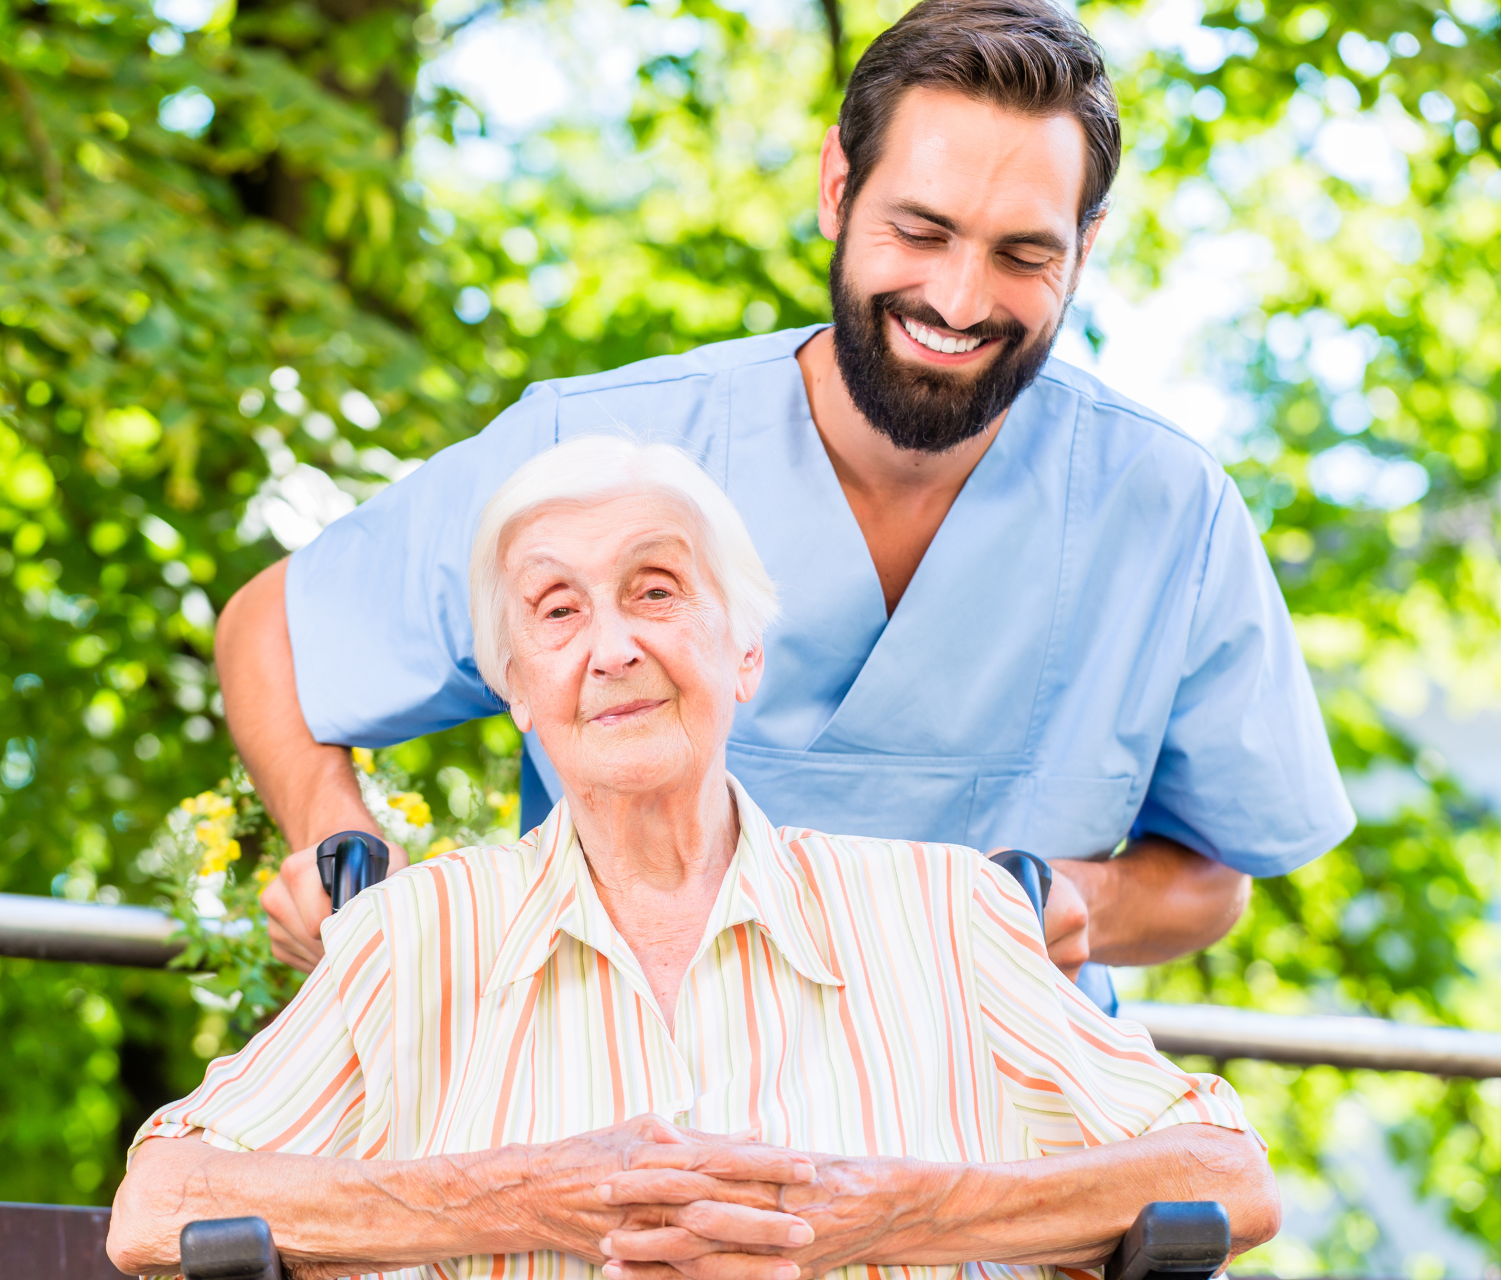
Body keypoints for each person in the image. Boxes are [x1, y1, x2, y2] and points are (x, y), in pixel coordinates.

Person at [218, 0, 1355, 991]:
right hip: (631, 1118)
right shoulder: (601, 443)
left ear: (1086, 248)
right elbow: (275, 627)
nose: (959, 298)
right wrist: (336, 844)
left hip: (997, 1145)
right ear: (836, 187)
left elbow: (1213, 877)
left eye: (1023, 253)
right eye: (921, 229)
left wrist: (1071, 908)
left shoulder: (1168, 511)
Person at [107, 438, 1280, 1280]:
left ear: (744, 649)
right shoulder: (419, 937)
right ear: (518, 691)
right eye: (556, 613)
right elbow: (161, 1203)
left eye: (656, 591)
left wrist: (881, 1212)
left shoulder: (944, 913)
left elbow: (1227, 1175)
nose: (612, 646)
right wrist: (531, 1196)